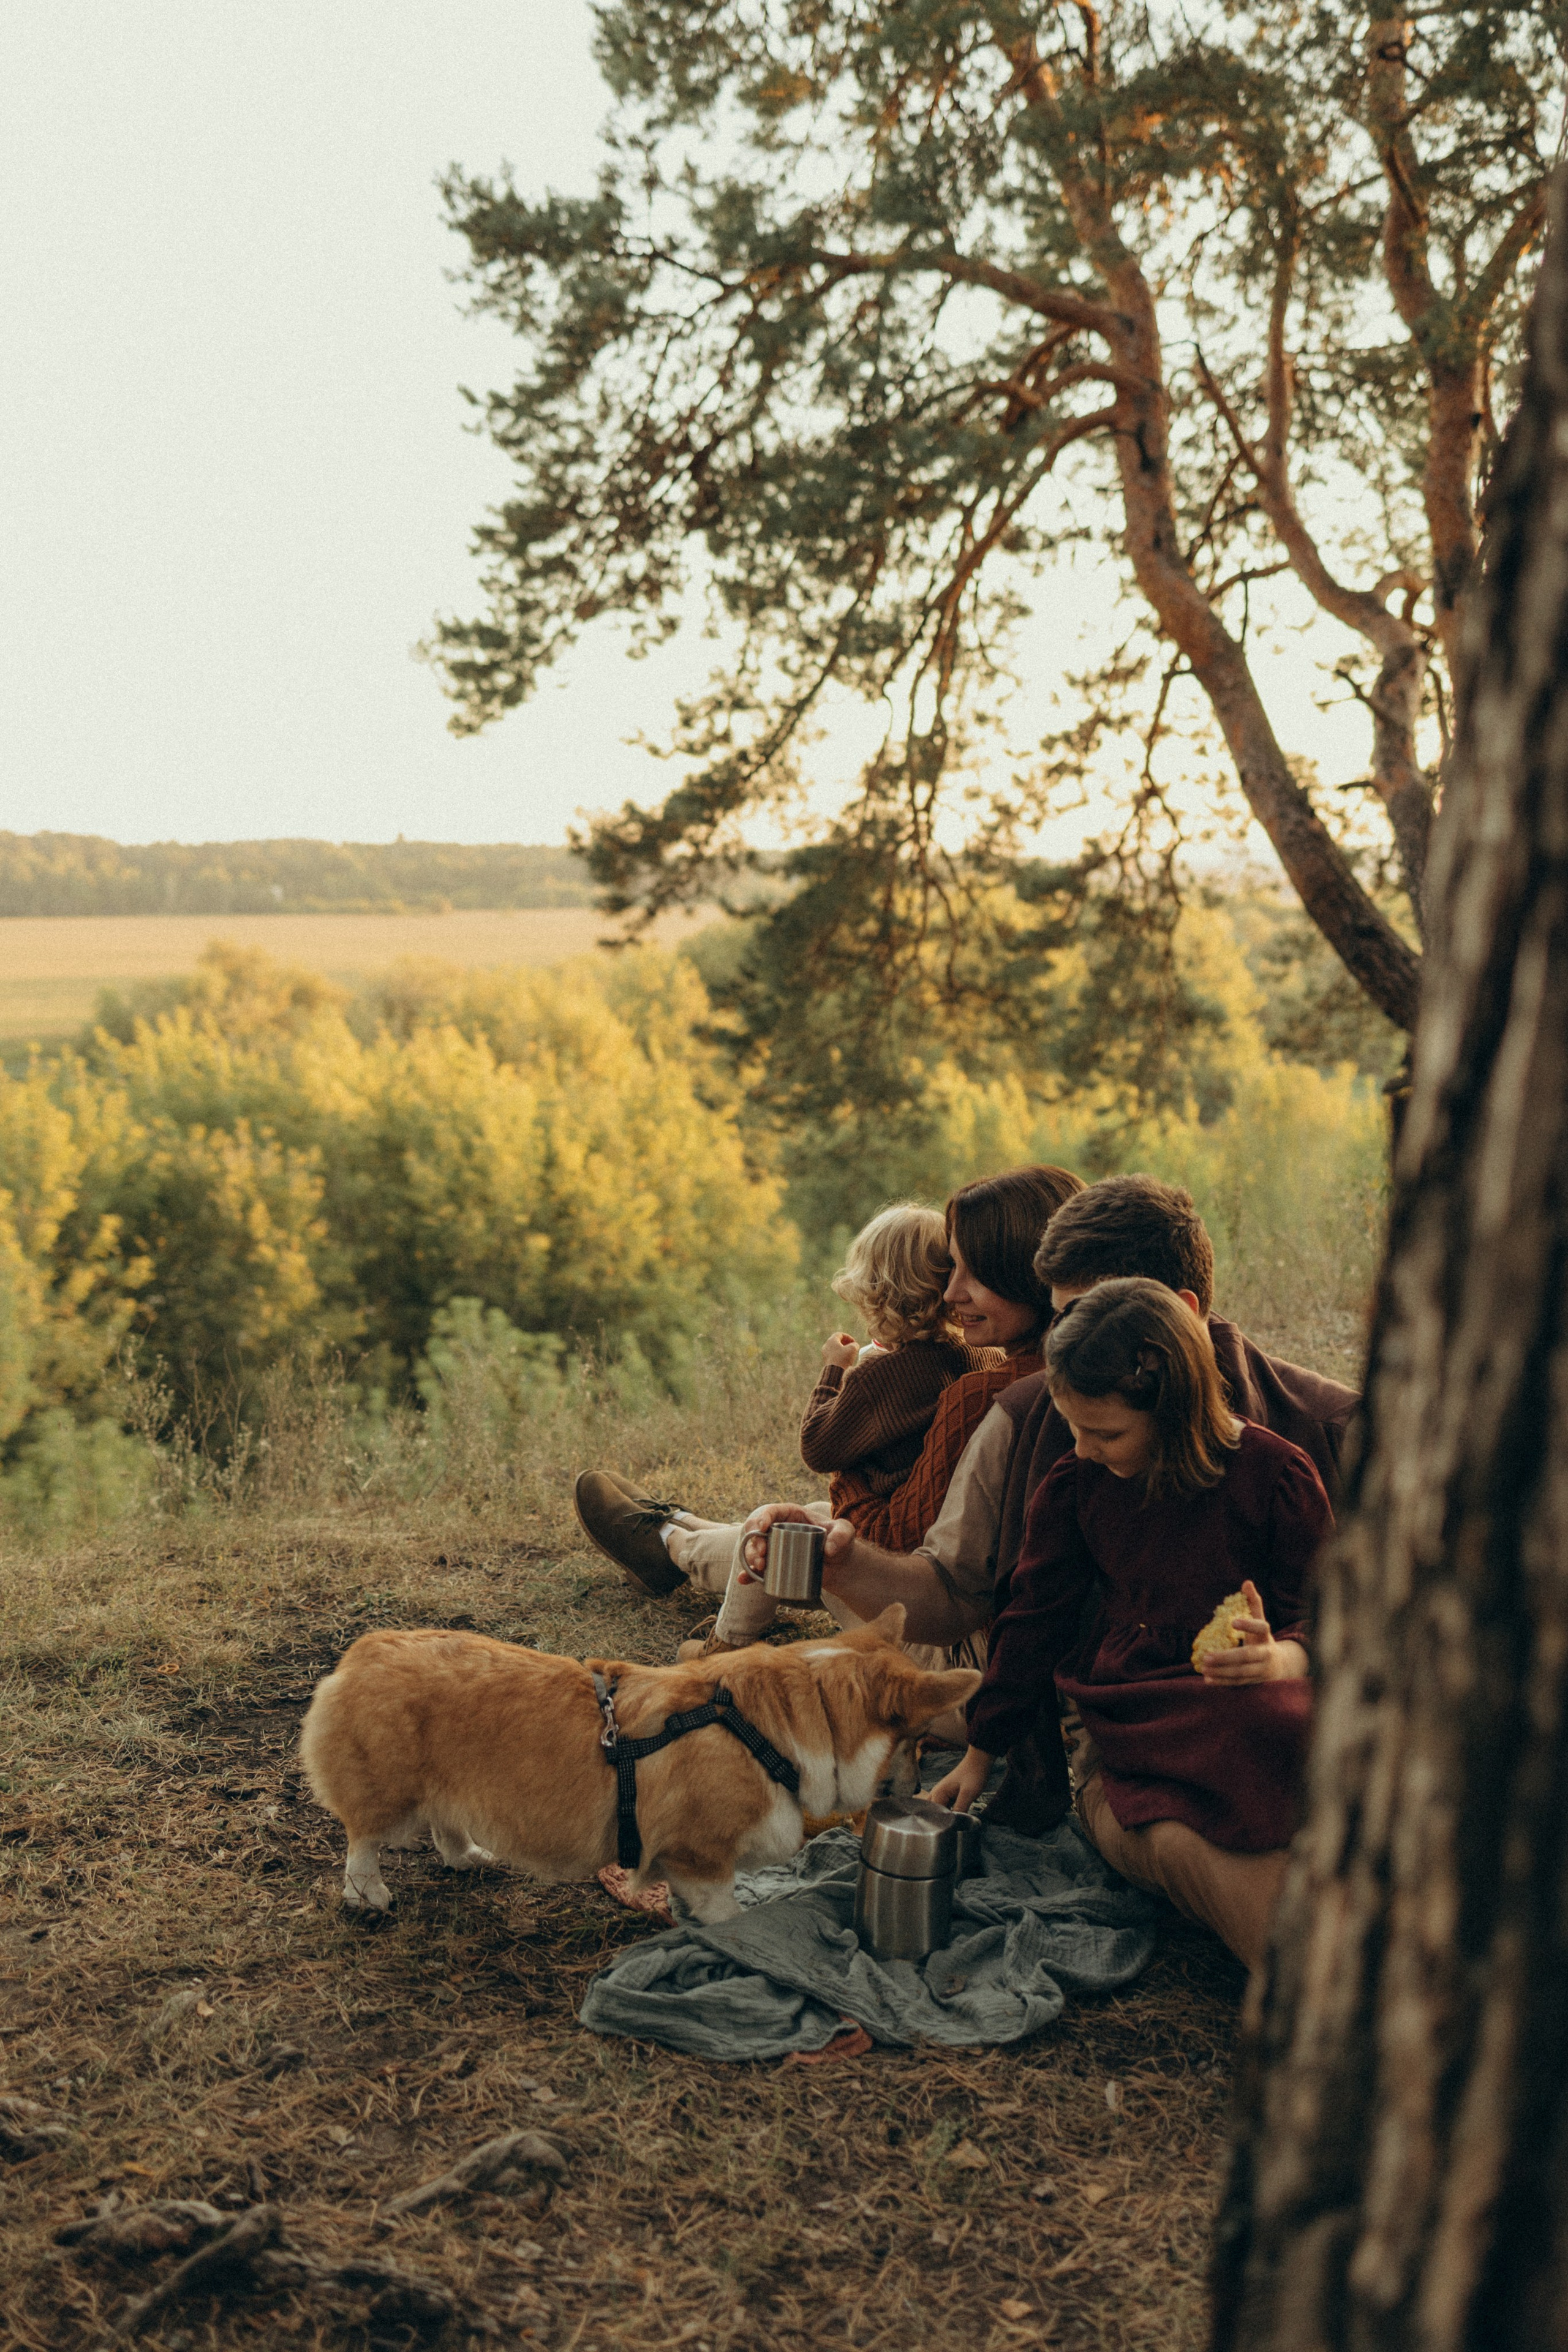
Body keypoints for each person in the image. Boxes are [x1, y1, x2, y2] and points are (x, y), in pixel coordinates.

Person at [930, 1278, 1329, 1972]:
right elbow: (1033, 1620)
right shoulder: (1078, 1484)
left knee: (1268, 1722)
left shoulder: (1275, 1477)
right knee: (1204, 1827)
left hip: (1247, 1705)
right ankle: (1305, 1973)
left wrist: (1280, 1659)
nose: (1084, 1449)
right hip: (1135, 1719)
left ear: (1175, 1410)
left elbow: (1333, 1622)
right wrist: (980, 1750)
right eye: (1074, 1428)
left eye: (1106, 1433)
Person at [570, 1165, 1080, 1657]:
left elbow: (900, 1543)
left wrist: (850, 1474)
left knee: (796, 1533)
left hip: (952, 1646)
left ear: (1030, 1275)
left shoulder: (986, 1396)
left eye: (978, 1274)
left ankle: (679, 1561)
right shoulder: (1071, 1372)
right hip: (987, 1625)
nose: (950, 1293)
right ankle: (680, 1528)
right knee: (810, 1520)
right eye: (952, 1268)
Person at [797, 1201, 1001, 1512]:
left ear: (875, 1293)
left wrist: (834, 1368)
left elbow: (816, 1449)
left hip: (888, 1517)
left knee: (767, 1524)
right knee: (812, 1509)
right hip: (953, 1513)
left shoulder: (879, 1378)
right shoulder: (988, 1357)